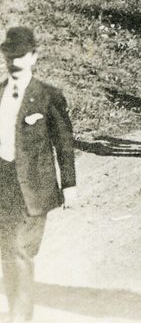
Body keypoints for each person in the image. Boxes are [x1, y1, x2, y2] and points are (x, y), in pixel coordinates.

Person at [0, 26, 77, 322]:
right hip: (4, 183)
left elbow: (64, 142)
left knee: (21, 250)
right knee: (7, 250)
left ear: (34, 57)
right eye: (9, 56)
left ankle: (20, 318)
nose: (14, 63)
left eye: (20, 56)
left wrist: (69, 184)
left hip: (34, 186)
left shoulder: (48, 96)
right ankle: (15, 310)